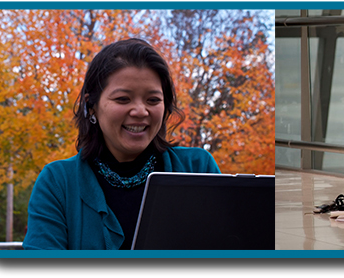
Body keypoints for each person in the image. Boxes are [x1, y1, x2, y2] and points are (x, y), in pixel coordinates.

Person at [23, 38, 221, 250]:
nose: (140, 111)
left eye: (153, 100)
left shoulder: (198, 169)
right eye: (123, 99)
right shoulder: (57, 183)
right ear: (91, 106)